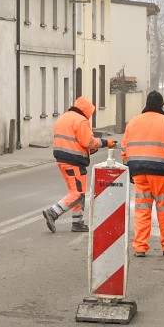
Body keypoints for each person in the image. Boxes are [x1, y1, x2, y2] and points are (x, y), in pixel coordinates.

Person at [121, 90, 164, 258]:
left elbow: (124, 148)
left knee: (142, 209)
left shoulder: (133, 122)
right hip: (159, 172)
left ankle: (140, 247)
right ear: (161, 105)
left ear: (146, 104)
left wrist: (128, 169)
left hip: (138, 172)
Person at [41, 96, 110, 232]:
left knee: (76, 191)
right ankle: (53, 212)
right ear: (86, 110)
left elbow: (74, 141)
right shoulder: (80, 120)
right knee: (78, 193)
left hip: (63, 159)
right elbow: (89, 142)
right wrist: (105, 143)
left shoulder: (64, 118)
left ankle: (77, 223)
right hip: (73, 161)